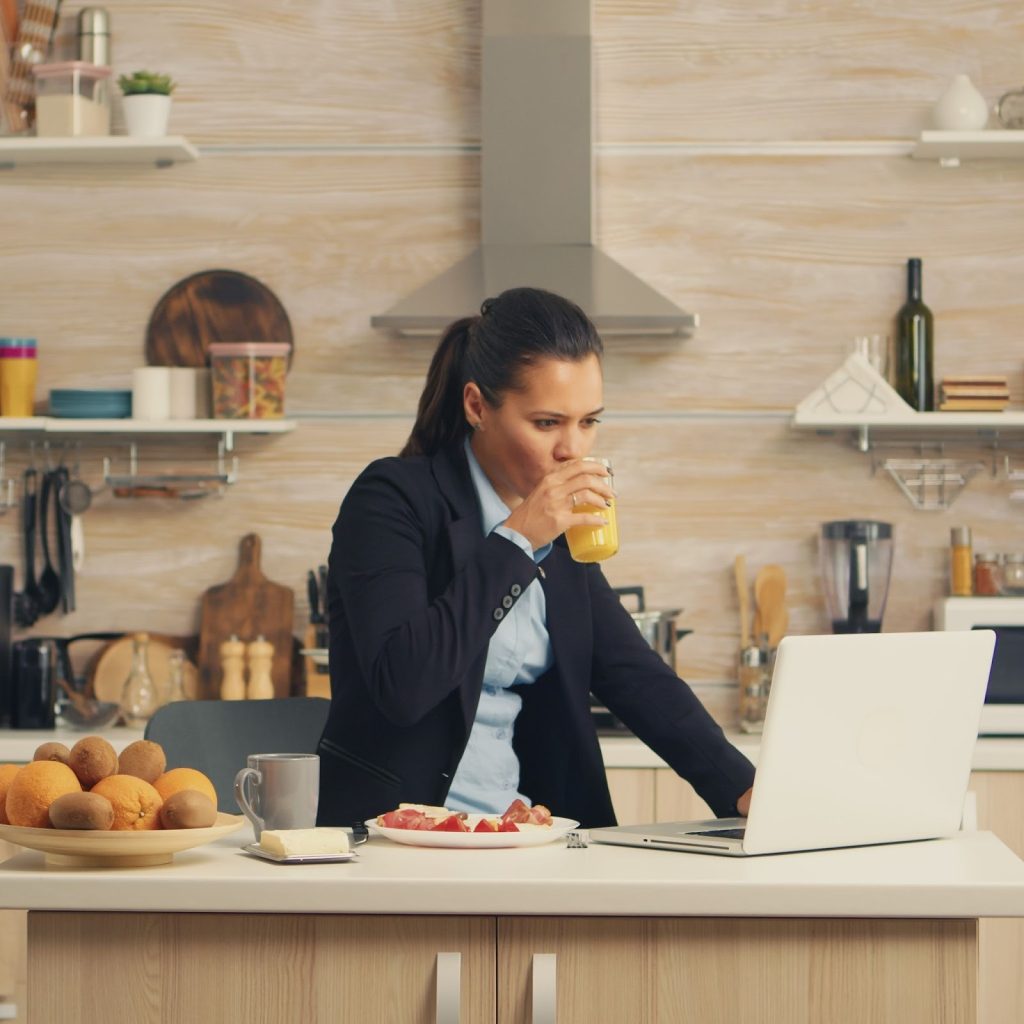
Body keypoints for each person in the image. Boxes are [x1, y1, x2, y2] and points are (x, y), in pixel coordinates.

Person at [316, 287, 754, 828]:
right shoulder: (391, 498)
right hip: (397, 835)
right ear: (477, 406)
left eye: (589, 421)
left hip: (521, 832)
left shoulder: (559, 530)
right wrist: (516, 540)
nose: (573, 449)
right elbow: (403, 686)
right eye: (548, 423)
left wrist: (744, 788)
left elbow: (634, 675)